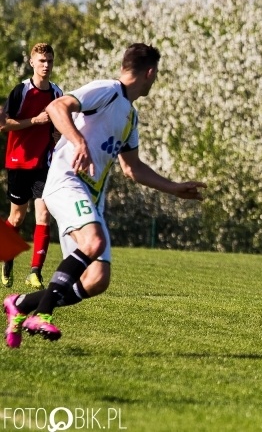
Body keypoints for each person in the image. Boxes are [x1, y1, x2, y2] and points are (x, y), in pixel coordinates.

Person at [3, 43, 206, 348]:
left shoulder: (130, 116)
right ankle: (42, 315)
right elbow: (57, 108)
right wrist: (78, 142)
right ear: (150, 73)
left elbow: (132, 168)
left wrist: (174, 187)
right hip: (67, 181)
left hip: (91, 198)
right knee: (94, 243)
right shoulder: (107, 90)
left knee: (96, 279)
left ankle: (20, 304)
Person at [0, 43, 63, 290]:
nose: (46, 65)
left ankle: (35, 272)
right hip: (18, 161)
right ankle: (6, 259)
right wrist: (34, 121)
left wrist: (58, 135)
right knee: (17, 217)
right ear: (32, 63)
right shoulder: (21, 90)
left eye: (49, 61)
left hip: (43, 163)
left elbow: (60, 124)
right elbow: (4, 125)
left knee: (44, 214)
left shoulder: (57, 93)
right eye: (42, 61)